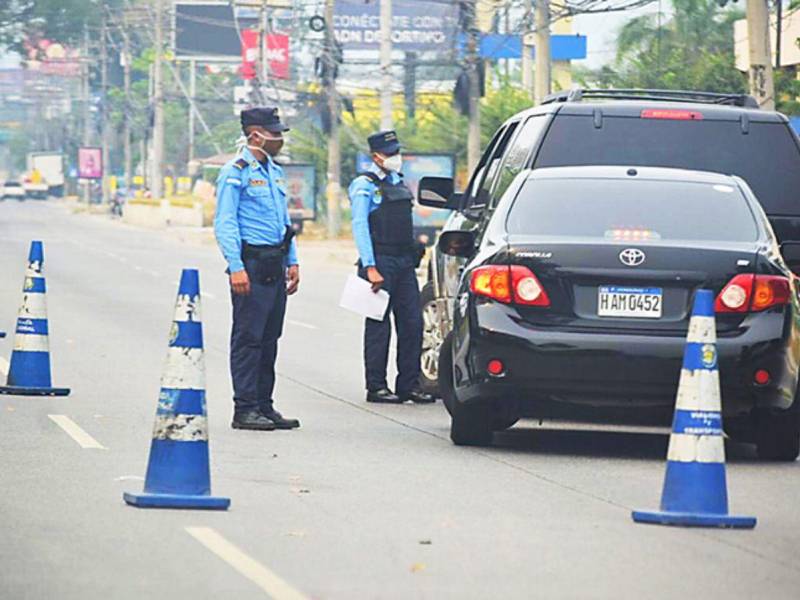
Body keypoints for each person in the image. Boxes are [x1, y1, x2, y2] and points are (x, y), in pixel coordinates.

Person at [214, 107, 301, 431]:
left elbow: (283, 223)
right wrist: (235, 267)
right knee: (248, 338)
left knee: (269, 338)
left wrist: (292, 261)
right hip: (250, 264)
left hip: (275, 263)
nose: (279, 139)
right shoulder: (235, 172)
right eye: (275, 134)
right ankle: (245, 408)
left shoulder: (274, 172)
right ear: (255, 135)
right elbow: (225, 222)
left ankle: (265, 405)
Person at [348, 131, 435, 405]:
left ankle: (408, 385)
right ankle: (376, 387)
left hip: (404, 262)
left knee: (412, 323)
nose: (396, 158)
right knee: (378, 326)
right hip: (380, 262)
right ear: (376, 156)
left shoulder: (399, 182)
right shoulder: (364, 185)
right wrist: (370, 266)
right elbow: (360, 225)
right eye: (390, 153)